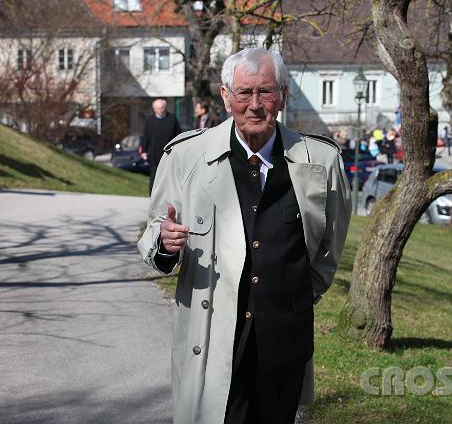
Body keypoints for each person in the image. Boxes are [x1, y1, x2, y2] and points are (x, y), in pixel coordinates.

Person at [137, 48, 351, 424]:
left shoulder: (320, 163)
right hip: (212, 339)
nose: (254, 105)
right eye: (243, 93)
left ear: (283, 95)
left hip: (284, 344)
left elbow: (327, 253)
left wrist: (292, 300)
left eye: (266, 92)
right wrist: (165, 243)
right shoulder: (187, 157)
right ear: (225, 96)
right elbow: (154, 233)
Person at [141, 98, 181, 193]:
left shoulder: (172, 119)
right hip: (154, 153)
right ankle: (153, 196)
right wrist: (143, 151)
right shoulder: (150, 120)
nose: (160, 110)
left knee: (169, 176)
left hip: (169, 153)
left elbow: (178, 135)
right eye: (157, 108)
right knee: (154, 176)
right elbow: (145, 136)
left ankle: (169, 197)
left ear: (165, 107)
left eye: (162, 108)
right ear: (154, 109)